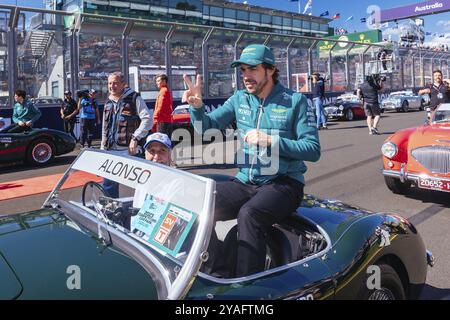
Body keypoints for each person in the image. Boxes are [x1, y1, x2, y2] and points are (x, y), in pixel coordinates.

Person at [183, 44, 321, 277]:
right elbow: (206, 128)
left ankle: (250, 286)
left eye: (253, 69)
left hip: (285, 183)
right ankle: (218, 270)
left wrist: (271, 140)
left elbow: (312, 150)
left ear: (271, 70)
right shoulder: (239, 99)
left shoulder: (295, 101)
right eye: (243, 70)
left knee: (249, 214)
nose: (246, 76)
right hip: (246, 181)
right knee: (195, 202)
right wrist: (196, 108)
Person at [101, 71, 153, 198]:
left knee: (143, 183)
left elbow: (147, 119)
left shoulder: (134, 98)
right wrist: (102, 148)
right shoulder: (108, 102)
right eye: (109, 83)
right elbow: (105, 127)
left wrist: (136, 137)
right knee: (108, 186)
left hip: (130, 151)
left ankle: (144, 210)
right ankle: (111, 211)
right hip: (110, 152)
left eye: (115, 83)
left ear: (124, 84)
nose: (112, 86)